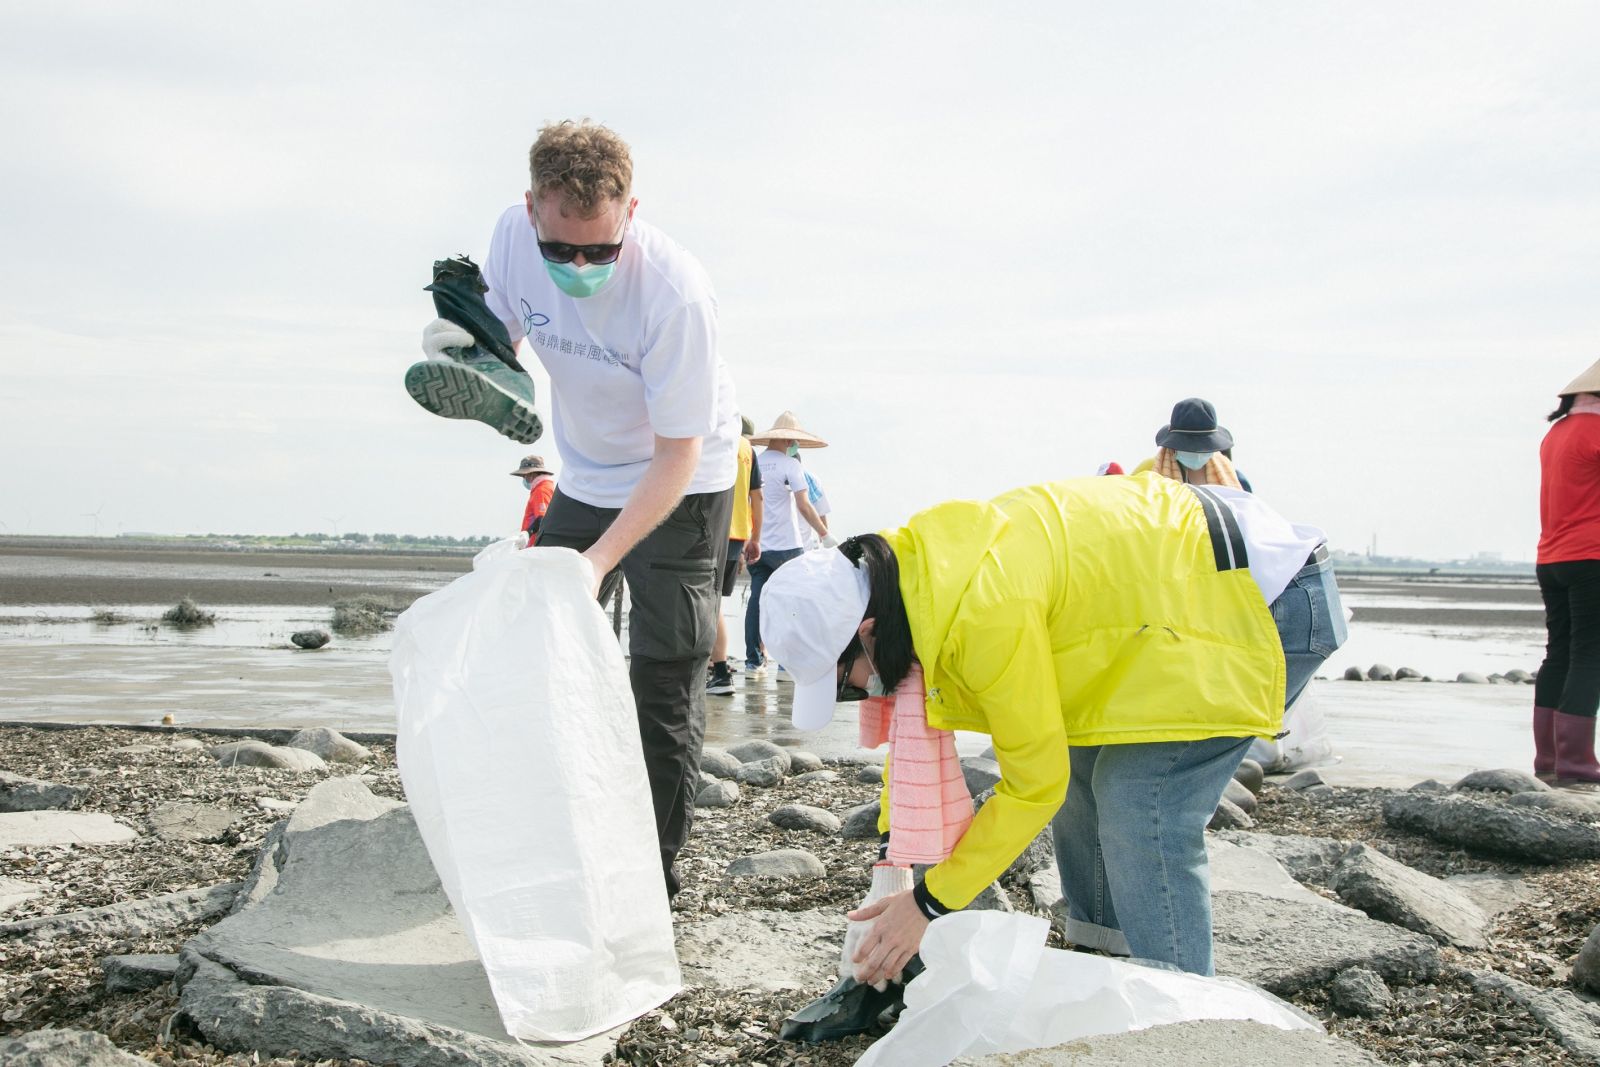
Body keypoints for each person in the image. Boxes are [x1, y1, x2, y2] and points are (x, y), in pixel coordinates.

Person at [760, 472, 1344, 981]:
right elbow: (971, 753)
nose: (861, 693)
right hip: (1183, 599)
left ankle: (1183, 1008)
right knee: (1086, 773)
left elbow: (1034, 784)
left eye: (845, 682)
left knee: (1142, 803)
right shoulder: (918, 575)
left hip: (1264, 596)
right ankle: (1106, 958)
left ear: (866, 630)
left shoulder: (983, 612)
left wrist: (930, 904)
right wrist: (895, 855)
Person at [417, 120, 739, 898]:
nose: (582, 266)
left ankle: (649, 881)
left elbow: (677, 454)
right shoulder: (511, 237)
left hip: (685, 482)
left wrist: (599, 561)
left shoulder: (675, 293)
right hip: (587, 474)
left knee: (663, 675)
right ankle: (550, 829)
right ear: (532, 211)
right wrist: (472, 349)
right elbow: (511, 334)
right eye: (562, 250)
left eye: (602, 249)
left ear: (633, 211)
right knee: (535, 642)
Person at [1535, 357, 1600, 785]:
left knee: (1559, 654)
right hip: (1591, 555)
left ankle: (1549, 760)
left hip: (1551, 557)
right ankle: (1578, 763)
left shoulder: (1554, 434)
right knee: (1589, 655)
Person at [743, 411, 828, 671]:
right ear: (787, 440)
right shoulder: (791, 465)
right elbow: (804, 505)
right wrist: (824, 533)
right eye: (795, 442)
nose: (796, 446)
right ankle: (786, 666)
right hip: (787, 547)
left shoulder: (754, 462)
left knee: (757, 601)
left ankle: (753, 661)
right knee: (793, 602)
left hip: (758, 545)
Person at [709, 417, 763, 696]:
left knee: (707, 600)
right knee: (714, 600)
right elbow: (757, 497)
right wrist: (755, 537)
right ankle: (714, 666)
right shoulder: (748, 450)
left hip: (710, 527)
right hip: (738, 532)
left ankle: (718, 670)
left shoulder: (715, 437)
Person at [1137, 398, 1254, 492]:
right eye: (1188, 445)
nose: (1197, 453)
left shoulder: (1232, 476)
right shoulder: (1149, 470)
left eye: (1204, 446)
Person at [512, 454, 556, 544]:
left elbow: (543, 518)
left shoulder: (541, 490)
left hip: (535, 543)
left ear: (532, 474)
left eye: (525, 476)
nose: (524, 479)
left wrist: (528, 533)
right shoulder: (544, 487)